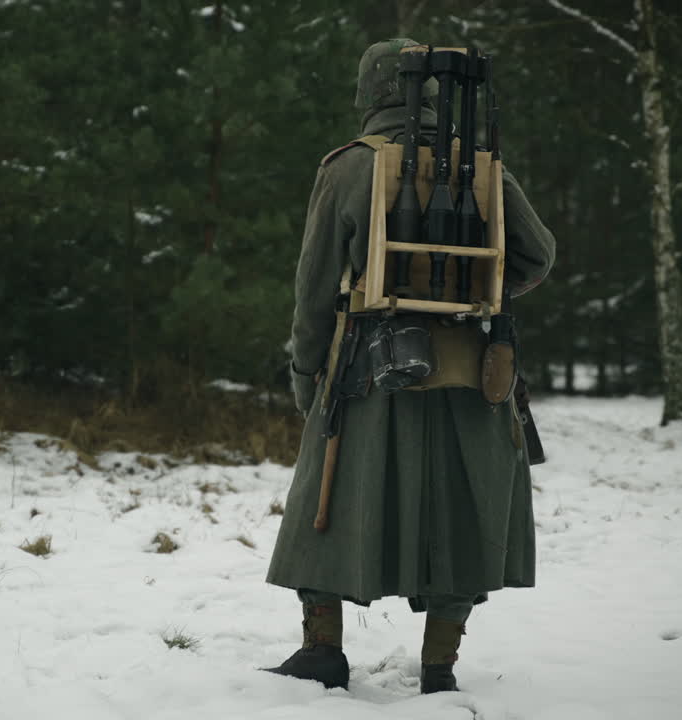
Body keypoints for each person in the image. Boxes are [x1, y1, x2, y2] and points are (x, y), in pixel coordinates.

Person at [263, 38, 556, 694]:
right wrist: (480, 290)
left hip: (365, 372)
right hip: (472, 372)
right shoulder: (482, 167)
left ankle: (321, 651)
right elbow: (538, 255)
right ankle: (439, 666)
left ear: (369, 92)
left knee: (323, 505)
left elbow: (313, 289)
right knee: (462, 514)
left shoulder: (348, 167)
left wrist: (307, 375)